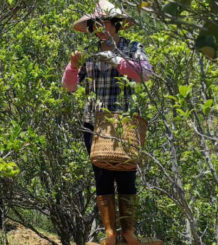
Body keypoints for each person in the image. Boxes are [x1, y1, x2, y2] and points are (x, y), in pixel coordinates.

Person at [62, 1, 153, 244]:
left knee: (127, 173)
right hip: (94, 121)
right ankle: (110, 233)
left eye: (105, 23)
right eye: (96, 24)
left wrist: (117, 62)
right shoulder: (89, 55)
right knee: (101, 174)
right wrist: (72, 66)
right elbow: (70, 87)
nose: (101, 28)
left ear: (116, 25)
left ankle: (128, 231)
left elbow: (145, 73)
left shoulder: (132, 48)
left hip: (125, 120)